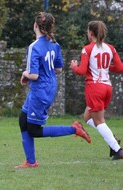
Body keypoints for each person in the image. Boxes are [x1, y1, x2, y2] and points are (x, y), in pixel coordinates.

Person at [16, 12, 91, 169]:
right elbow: (58, 69)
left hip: (40, 92)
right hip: (47, 88)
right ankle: (30, 161)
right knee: (23, 120)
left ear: (35, 25)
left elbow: (34, 75)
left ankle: (74, 129)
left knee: (34, 130)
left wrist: (24, 74)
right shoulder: (55, 45)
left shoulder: (34, 47)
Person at [70, 20, 123, 160]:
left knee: (99, 121)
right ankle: (112, 140)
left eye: (88, 31)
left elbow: (81, 71)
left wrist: (74, 66)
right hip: (107, 88)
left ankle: (118, 150)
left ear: (91, 33)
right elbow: (120, 68)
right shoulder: (111, 48)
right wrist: (104, 67)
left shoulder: (87, 49)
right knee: (87, 117)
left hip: (95, 88)